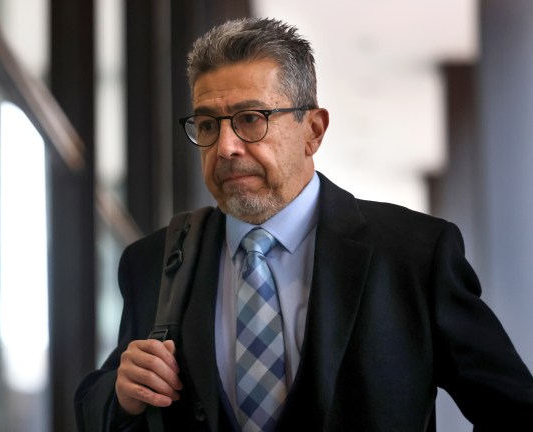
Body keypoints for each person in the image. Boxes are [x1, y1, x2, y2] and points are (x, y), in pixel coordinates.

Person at [75, 17, 533, 431]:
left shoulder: (414, 254)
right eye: (208, 124)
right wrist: (122, 395)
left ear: (313, 130)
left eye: (251, 119)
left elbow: (513, 407)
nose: (227, 146)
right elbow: (97, 405)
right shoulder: (153, 261)